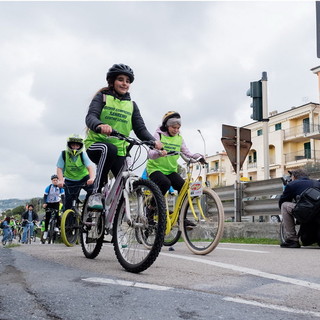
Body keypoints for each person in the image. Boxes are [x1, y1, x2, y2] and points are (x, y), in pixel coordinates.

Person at [84, 63, 162, 209]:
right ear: (112, 81)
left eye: (127, 81)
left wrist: (154, 142)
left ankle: (115, 219)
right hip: (97, 145)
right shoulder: (102, 97)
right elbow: (91, 117)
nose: (124, 83)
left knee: (125, 182)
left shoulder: (132, 105)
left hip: (120, 150)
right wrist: (100, 125)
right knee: (109, 149)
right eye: (121, 79)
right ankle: (96, 194)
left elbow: (140, 129)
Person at [146, 111, 205, 226]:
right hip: (155, 169)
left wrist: (199, 157)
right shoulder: (159, 135)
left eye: (178, 128)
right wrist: (159, 153)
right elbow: (150, 153)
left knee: (184, 188)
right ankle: (151, 208)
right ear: (167, 126)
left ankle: (181, 217)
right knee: (164, 183)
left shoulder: (179, 138)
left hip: (170, 170)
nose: (176, 130)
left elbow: (187, 153)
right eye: (173, 127)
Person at [279, 168, 320, 248]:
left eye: (291, 176)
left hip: (307, 212)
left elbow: (283, 201)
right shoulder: (316, 183)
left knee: (284, 206)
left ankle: (292, 239)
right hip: (318, 212)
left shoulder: (292, 184)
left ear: (294, 177)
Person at [56, 134, 95, 210]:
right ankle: (68, 219)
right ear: (69, 145)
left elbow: (90, 168)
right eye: (73, 145)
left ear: (80, 146)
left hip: (83, 178)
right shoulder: (64, 154)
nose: (75, 147)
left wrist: (92, 178)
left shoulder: (82, 155)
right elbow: (59, 168)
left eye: (77, 145)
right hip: (70, 180)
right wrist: (60, 180)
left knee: (92, 191)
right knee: (68, 203)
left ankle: (86, 210)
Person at [42, 174, 65, 240]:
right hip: (49, 203)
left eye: (56, 180)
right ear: (52, 181)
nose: (55, 181)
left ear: (58, 180)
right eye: (54, 180)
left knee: (57, 215)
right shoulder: (48, 187)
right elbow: (45, 196)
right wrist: (44, 203)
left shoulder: (60, 188)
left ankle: (56, 226)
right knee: (47, 217)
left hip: (56, 203)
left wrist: (63, 204)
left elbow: (63, 197)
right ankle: (46, 231)